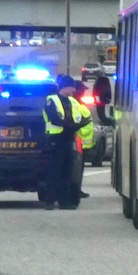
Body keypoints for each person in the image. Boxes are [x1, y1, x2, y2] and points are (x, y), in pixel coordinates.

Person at [43, 74, 90, 210]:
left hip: (68, 139)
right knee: (54, 171)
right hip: (56, 140)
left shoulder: (72, 101)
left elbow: (80, 116)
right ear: (65, 87)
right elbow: (53, 118)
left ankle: (65, 202)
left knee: (66, 172)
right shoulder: (51, 100)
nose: (74, 90)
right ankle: (49, 201)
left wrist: (80, 124)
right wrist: (70, 125)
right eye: (71, 87)